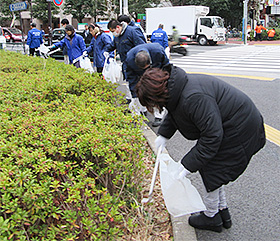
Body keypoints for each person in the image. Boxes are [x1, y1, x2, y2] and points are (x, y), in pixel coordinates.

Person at [136, 66, 266, 233]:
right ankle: (221, 211)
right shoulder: (175, 89)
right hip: (232, 123)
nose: (153, 108)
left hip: (240, 127)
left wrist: (186, 165)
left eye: (151, 103)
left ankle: (211, 217)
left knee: (212, 168)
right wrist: (164, 135)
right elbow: (175, 112)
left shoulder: (193, 97)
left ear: (157, 95)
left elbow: (212, 136)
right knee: (213, 167)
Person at [124, 43, 170, 126]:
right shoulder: (130, 59)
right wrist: (135, 94)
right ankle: (142, 110)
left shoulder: (158, 51)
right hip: (139, 76)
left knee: (157, 93)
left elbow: (167, 66)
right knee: (139, 93)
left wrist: (165, 80)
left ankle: (158, 116)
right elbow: (131, 78)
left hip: (157, 72)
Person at [105, 19, 146, 101]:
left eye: (113, 31)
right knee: (129, 84)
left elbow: (142, 47)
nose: (113, 33)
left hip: (136, 64)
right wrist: (106, 51)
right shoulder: (118, 36)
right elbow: (113, 45)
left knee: (138, 85)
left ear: (118, 27)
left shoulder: (132, 31)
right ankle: (132, 102)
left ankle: (141, 106)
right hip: (126, 64)